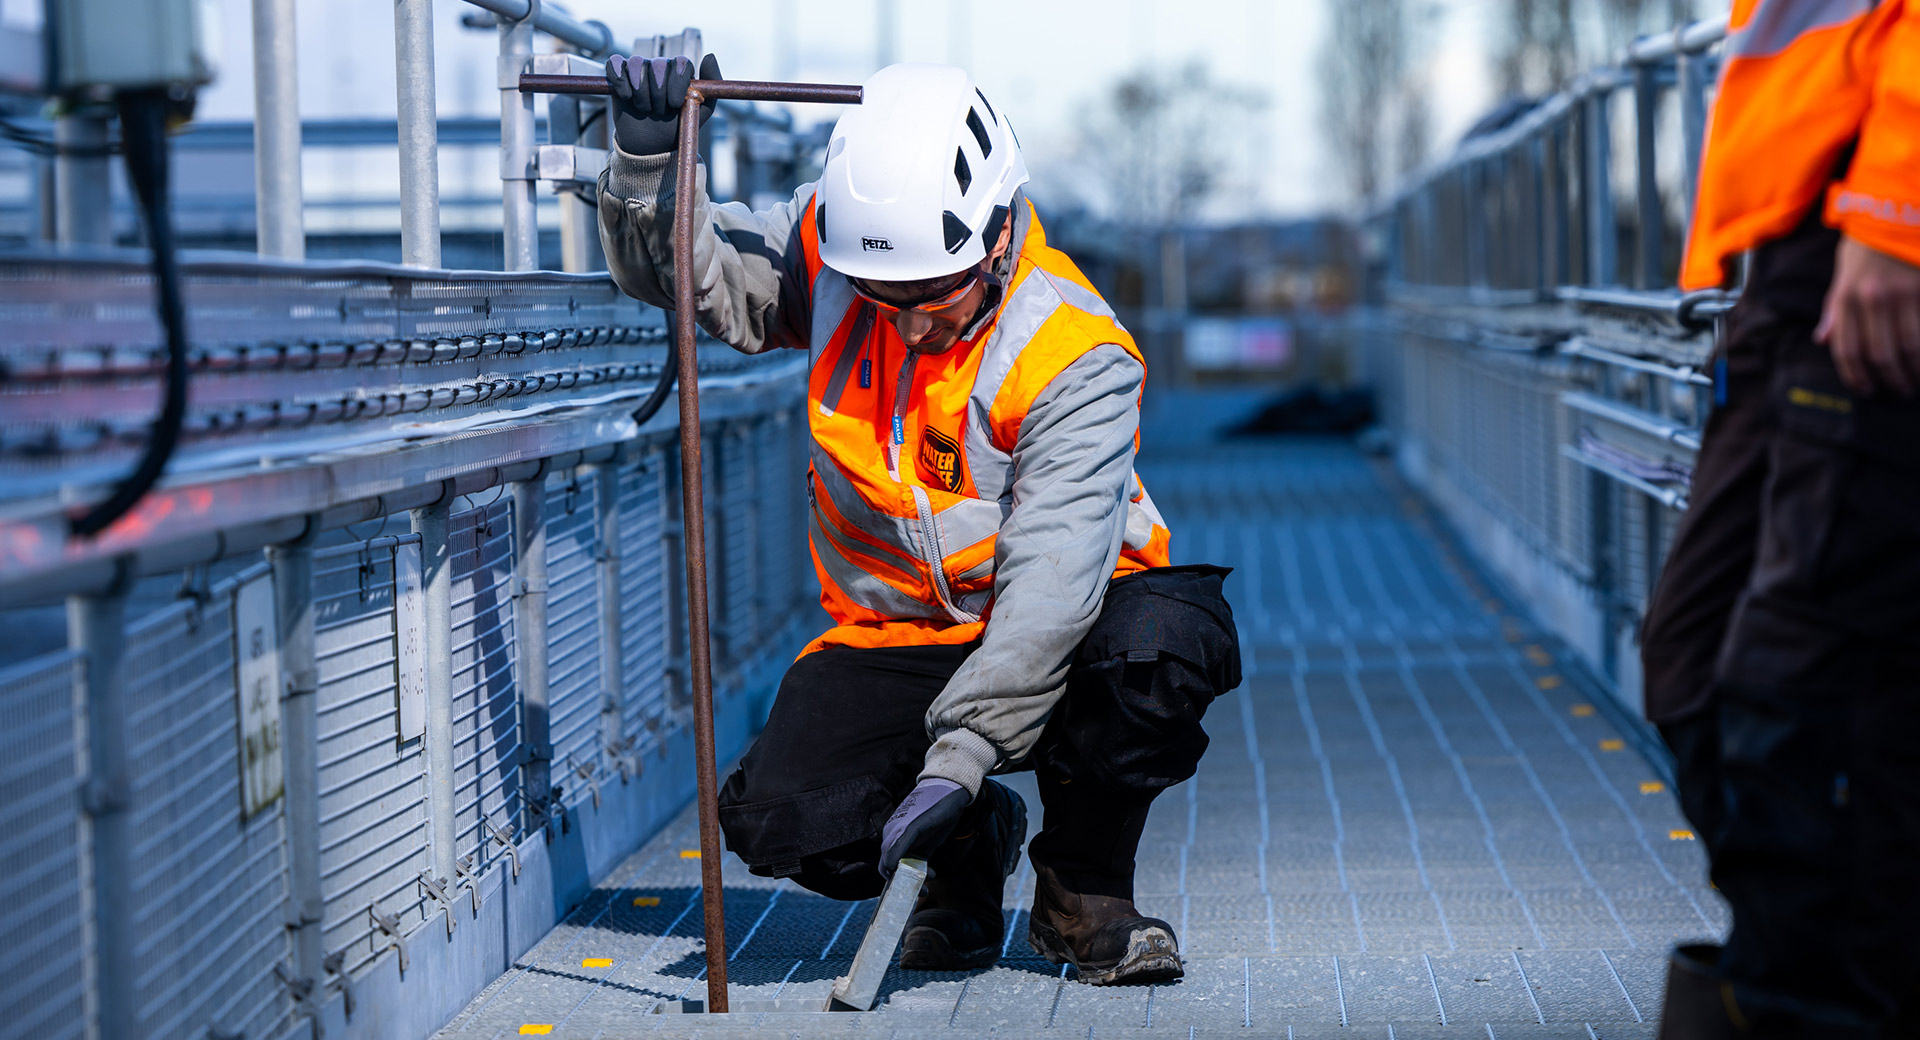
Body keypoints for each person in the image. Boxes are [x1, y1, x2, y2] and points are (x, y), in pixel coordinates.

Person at [595, 55, 1242, 985]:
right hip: (899, 632)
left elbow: (1053, 584)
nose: (903, 329)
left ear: (996, 237)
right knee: (777, 818)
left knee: (1164, 647)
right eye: (880, 302)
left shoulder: (1074, 352)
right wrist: (652, 165)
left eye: (930, 302)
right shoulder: (839, 253)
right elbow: (704, 278)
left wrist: (963, 752)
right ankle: (968, 855)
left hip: (1067, 627)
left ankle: (1083, 889)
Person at [1638, 0, 1919, 1035]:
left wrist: (1901, 206)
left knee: (1807, 697)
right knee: (1693, 664)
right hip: (1788, 241)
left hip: (1876, 223)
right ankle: (1798, 979)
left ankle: (1807, 999)